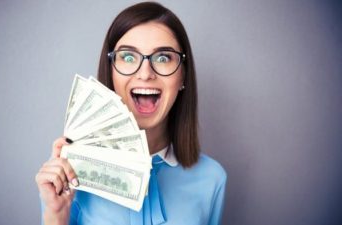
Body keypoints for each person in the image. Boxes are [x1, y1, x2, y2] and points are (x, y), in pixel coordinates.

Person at [35, 2, 227, 225]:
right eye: (128, 57)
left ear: (182, 76)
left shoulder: (213, 179)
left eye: (163, 58)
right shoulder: (68, 171)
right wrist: (56, 215)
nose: (145, 74)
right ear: (111, 71)